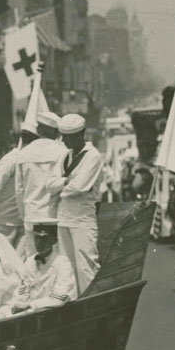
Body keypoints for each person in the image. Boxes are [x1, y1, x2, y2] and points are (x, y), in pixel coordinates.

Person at [46, 114, 103, 293]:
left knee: (86, 267)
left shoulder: (93, 156)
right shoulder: (64, 157)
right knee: (67, 269)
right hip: (63, 218)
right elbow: (49, 185)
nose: (63, 140)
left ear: (80, 135)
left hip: (82, 220)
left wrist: (60, 186)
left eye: (67, 137)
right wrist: (65, 182)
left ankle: (91, 304)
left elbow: (79, 187)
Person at [16, 112, 66, 248]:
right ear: (57, 133)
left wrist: (24, 214)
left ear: (38, 130)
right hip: (54, 215)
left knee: (32, 258)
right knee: (54, 258)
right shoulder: (62, 152)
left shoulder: (23, 154)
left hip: (31, 214)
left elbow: (19, 190)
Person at [9, 222, 77, 314]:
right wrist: (20, 304)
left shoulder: (62, 263)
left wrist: (30, 305)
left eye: (43, 238)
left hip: (54, 312)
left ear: (54, 240)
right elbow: (23, 288)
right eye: (36, 238)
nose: (38, 243)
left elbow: (60, 298)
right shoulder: (30, 261)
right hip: (32, 311)